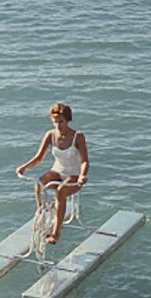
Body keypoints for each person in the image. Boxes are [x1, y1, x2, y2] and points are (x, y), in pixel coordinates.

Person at [15, 102, 89, 244]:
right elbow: (39, 158)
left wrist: (83, 175)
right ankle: (41, 214)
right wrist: (24, 167)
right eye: (55, 122)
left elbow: (85, 160)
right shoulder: (50, 135)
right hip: (58, 171)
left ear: (67, 120)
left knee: (61, 191)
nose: (58, 125)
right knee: (39, 183)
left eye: (61, 122)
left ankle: (57, 232)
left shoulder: (78, 136)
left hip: (74, 175)